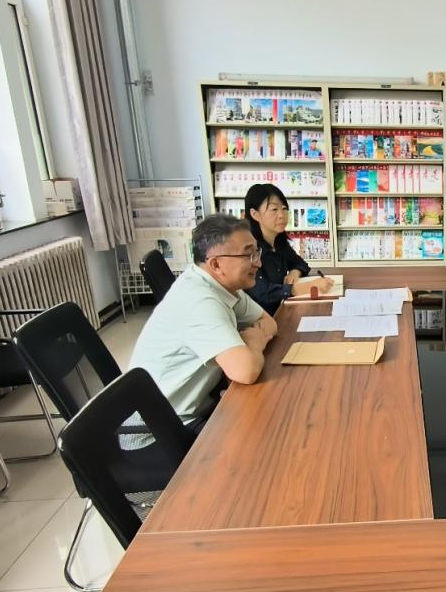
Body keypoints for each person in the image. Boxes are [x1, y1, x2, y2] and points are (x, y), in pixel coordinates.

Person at [129, 213, 277, 432]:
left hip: (197, 405)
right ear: (216, 264)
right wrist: (254, 342)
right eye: (248, 255)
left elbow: (269, 323)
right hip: (161, 427)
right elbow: (245, 371)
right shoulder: (199, 300)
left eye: (257, 252)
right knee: (268, 431)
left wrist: (250, 345)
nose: (258, 262)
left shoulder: (223, 285)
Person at [244, 182, 333, 315]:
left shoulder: (278, 241)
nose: (282, 215)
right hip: (260, 320)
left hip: (282, 310)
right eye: (274, 209)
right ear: (255, 214)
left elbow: (300, 263)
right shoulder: (249, 249)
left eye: (284, 208)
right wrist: (303, 288)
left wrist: (294, 272)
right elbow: (263, 293)